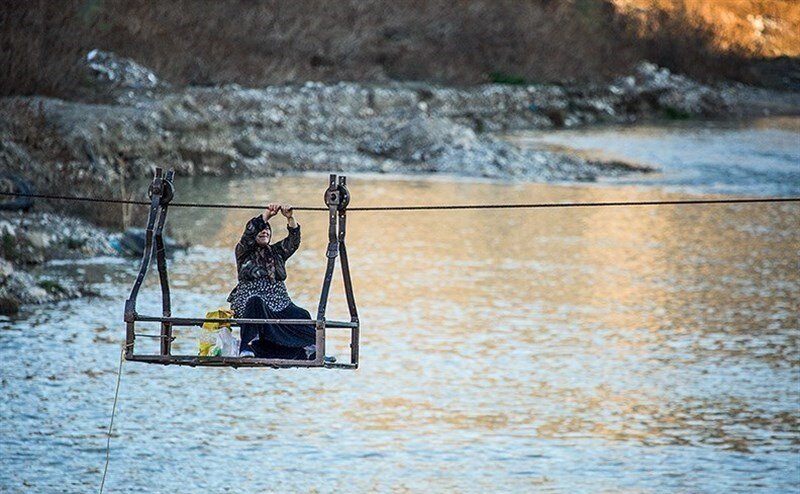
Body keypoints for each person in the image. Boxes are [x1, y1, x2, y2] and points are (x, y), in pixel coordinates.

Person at [227, 203, 316, 359]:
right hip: (250, 298)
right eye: (261, 230)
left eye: (267, 230)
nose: (264, 232)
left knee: (301, 314)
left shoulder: (277, 252)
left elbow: (293, 242)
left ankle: (311, 348)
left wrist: (290, 218)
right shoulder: (243, 251)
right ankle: (247, 346)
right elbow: (249, 232)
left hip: (278, 300)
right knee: (255, 302)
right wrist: (267, 215)